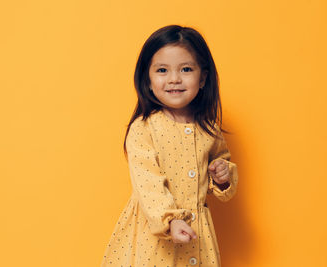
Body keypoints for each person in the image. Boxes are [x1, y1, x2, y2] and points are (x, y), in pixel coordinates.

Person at [100, 24, 239, 267]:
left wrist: (223, 174)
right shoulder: (144, 128)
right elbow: (147, 183)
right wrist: (169, 220)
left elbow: (221, 161)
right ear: (149, 79)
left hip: (198, 233)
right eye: (162, 70)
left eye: (186, 69)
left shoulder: (208, 128)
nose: (174, 79)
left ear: (203, 77)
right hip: (155, 236)